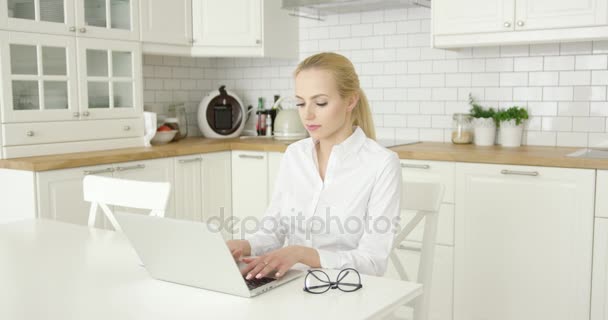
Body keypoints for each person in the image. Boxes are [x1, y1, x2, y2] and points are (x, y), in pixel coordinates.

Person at [227, 52, 401, 279]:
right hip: (291, 286)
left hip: (347, 291)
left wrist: (301, 254)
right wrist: (242, 245)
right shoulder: (294, 155)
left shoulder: (381, 164)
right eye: (300, 103)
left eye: (320, 103)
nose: (307, 114)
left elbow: (372, 263)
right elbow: (273, 231)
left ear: (351, 100)